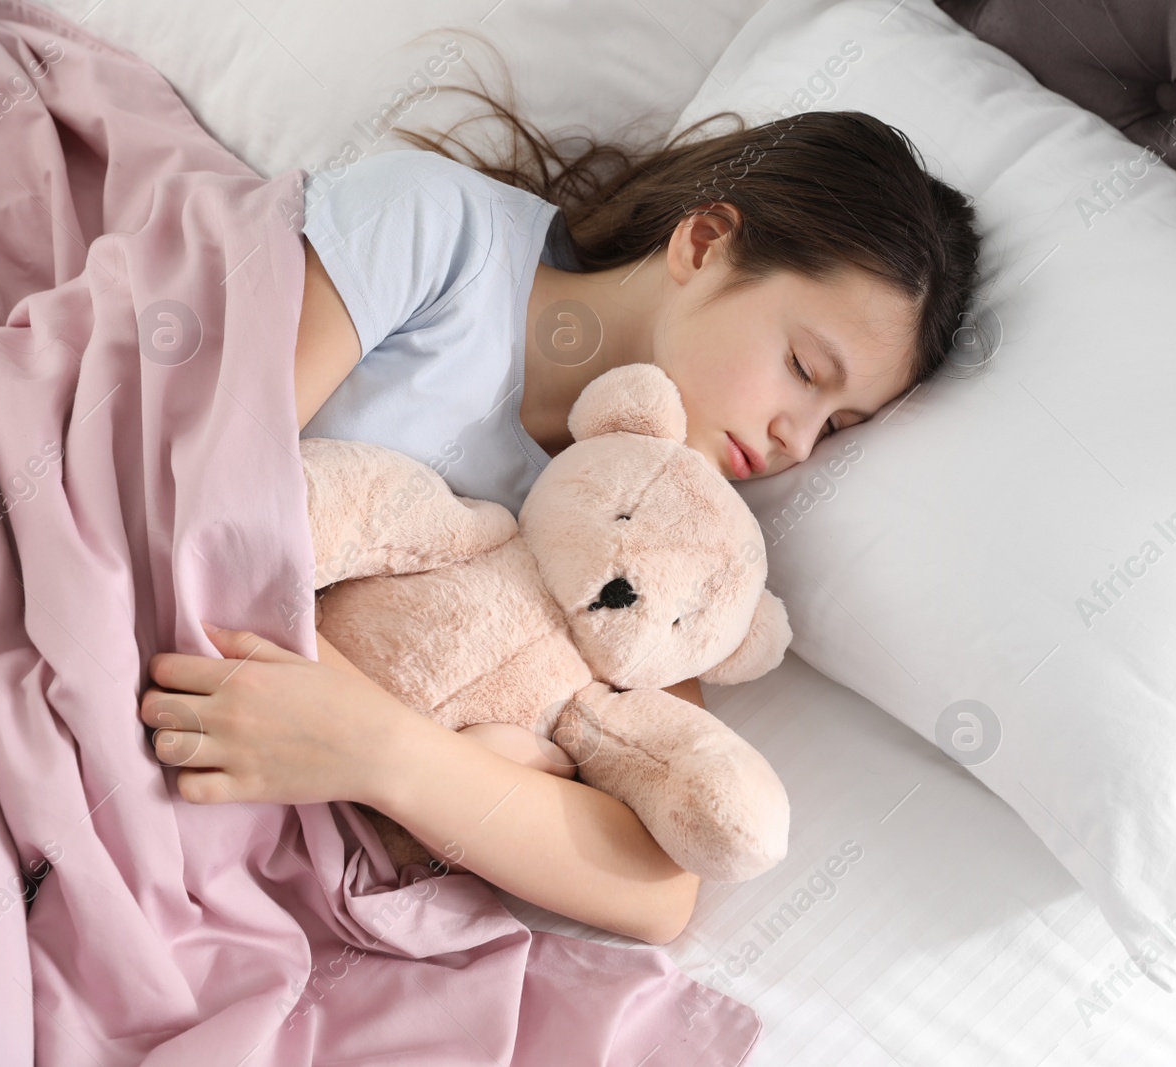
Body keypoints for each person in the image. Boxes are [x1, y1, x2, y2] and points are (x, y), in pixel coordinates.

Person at [138, 93, 983, 946]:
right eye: (804, 368)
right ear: (702, 243)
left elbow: (658, 890)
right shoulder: (443, 237)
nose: (793, 441)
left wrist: (380, 751)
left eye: (836, 426)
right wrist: (494, 779)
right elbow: (198, 495)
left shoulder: (645, 536)